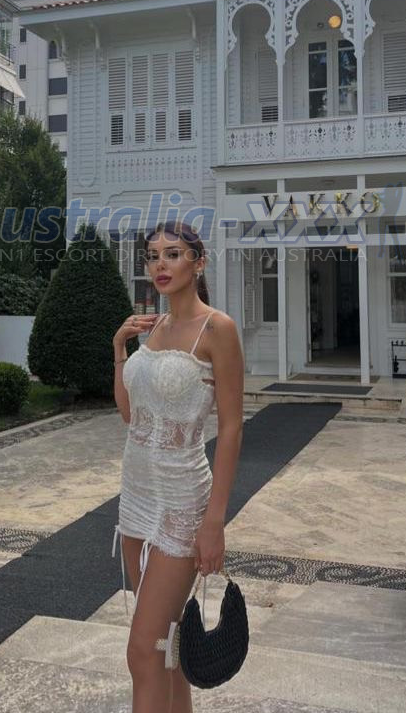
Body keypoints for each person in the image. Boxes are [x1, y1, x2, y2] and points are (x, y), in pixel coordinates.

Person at [111, 221, 245, 713]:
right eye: (152, 256)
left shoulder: (218, 329)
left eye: (172, 254)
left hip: (182, 502)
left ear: (199, 262)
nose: (160, 265)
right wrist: (119, 351)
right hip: (136, 496)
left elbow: (231, 427)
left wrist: (215, 522)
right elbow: (131, 415)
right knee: (167, 648)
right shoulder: (156, 328)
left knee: (143, 652)